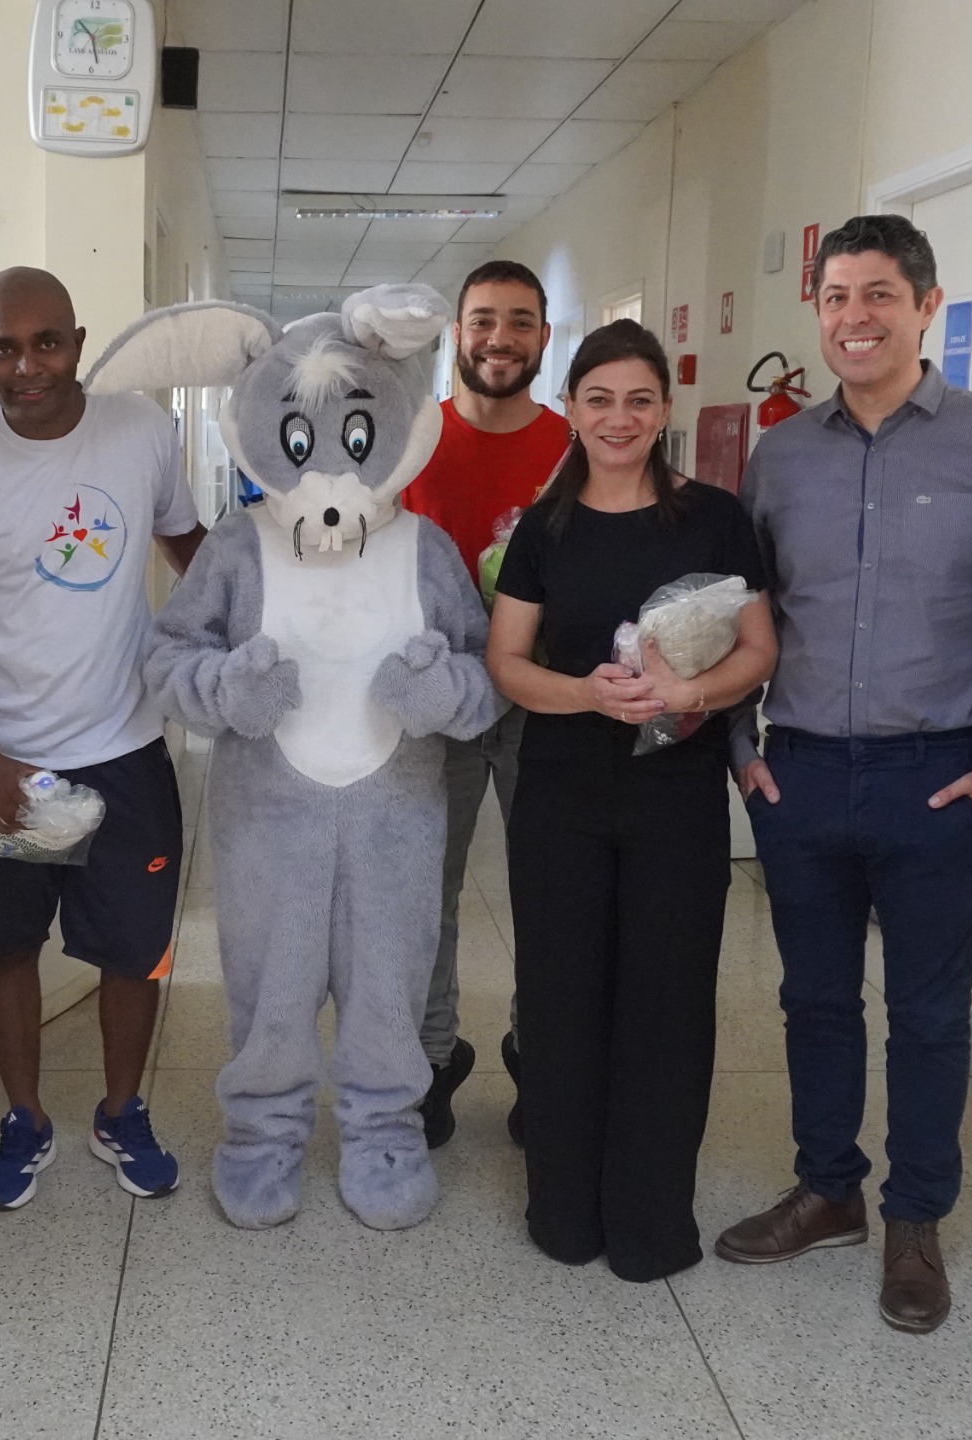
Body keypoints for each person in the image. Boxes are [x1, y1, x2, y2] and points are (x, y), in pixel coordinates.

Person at [714, 214, 972, 1335]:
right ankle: (828, 1191)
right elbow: (736, 613)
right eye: (835, 297)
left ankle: (915, 1218)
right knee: (813, 1000)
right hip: (800, 774)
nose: (853, 318)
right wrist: (740, 747)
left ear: (925, 307)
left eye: (876, 296)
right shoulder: (782, 456)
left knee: (928, 1014)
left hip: (940, 776)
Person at [484, 320, 777, 1282]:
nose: (619, 418)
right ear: (573, 407)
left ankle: (652, 1221)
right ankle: (565, 1210)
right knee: (565, 1003)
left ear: (664, 413)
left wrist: (687, 694)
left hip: (676, 798)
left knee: (668, 1004)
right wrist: (586, 694)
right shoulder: (546, 527)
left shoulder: (715, 519)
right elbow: (506, 662)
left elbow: (758, 648)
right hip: (561, 792)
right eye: (599, 399)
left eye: (639, 400)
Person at [0, 266, 204, 1211]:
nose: (26, 365)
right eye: (5, 347)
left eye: (45, 343)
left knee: (132, 953)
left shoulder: (141, 433)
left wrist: (227, 648)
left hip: (123, 750)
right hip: (16, 765)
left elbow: (188, 549)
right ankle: (26, 1117)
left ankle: (121, 1110)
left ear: (78, 341)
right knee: (11, 947)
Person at [396, 259, 573, 1149]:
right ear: (454, 334)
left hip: (543, 699)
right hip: (434, 702)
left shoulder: (576, 447)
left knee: (547, 890)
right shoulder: (407, 438)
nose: (498, 338)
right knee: (427, 890)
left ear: (544, 335)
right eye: (482, 321)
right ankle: (431, 1060)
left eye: (519, 321)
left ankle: (538, 1056)